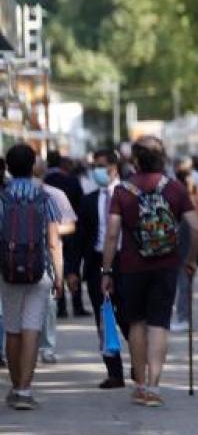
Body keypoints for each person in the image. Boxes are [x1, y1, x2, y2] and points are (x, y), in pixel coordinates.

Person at [101, 135, 198, 408]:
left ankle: (141, 385)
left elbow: (111, 234)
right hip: (166, 266)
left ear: (134, 160)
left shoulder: (122, 191)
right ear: (163, 158)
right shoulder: (176, 188)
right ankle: (155, 387)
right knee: (159, 324)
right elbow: (197, 227)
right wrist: (191, 260)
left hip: (132, 267)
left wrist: (107, 270)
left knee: (137, 323)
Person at [2, 144, 64, 409]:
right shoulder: (44, 196)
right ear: (32, 166)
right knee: (32, 330)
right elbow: (53, 241)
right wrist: (59, 275)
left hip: (7, 272)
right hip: (39, 272)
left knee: (12, 330)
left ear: (7, 167)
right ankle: (25, 392)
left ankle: (15, 387)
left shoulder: (2, 196)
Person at [78, 148, 127, 388]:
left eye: (102, 165)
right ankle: (114, 372)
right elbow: (80, 238)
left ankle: (139, 363)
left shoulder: (129, 195)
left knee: (129, 317)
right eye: (94, 165)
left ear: (114, 167)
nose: (97, 170)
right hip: (97, 262)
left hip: (125, 262)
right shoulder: (88, 200)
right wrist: (71, 269)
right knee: (103, 318)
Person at [34, 158, 76, 365]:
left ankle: (43, 347)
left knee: (46, 306)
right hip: (44, 261)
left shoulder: (55, 195)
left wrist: (48, 228)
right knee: (47, 305)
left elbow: (70, 225)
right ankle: (43, 348)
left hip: (31, 259)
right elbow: (59, 238)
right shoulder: (52, 196)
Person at [44, 151, 86, 321]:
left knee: (55, 265)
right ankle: (77, 305)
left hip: (50, 229)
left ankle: (60, 306)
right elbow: (81, 204)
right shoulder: (71, 180)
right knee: (73, 265)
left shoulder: (45, 183)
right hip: (70, 227)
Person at [171, 158, 198, 332]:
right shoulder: (177, 197)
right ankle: (183, 315)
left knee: (185, 283)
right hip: (181, 245)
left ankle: (184, 317)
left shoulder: (192, 198)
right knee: (181, 284)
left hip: (188, 246)